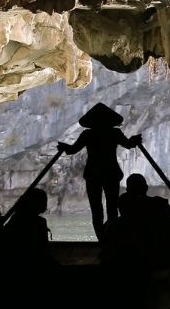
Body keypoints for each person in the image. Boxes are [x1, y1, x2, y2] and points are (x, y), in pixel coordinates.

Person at [57, 103, 142, 240]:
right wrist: (135, 140)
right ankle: (112, 240)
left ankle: (102, 240)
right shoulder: (114, 133)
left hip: (93, 174)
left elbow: (72, 150)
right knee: (112, 209)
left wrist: (63, 147)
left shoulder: (88, 134)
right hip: (111, 173)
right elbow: (129, 144)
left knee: (96, 210)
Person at [113, 173, 170, 255]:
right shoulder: (160, 204)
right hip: (162, 253)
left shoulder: (126, 205)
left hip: (134, 254)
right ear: (146, 188)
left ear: (128, 190)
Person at [0, 187, 55, 269]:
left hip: (11, 262)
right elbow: (43, 249)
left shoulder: (15, 218)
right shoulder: (40, 222)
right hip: (31, 262)